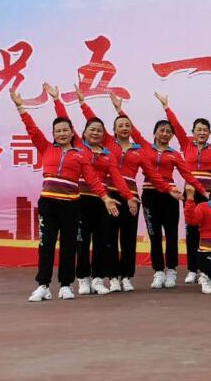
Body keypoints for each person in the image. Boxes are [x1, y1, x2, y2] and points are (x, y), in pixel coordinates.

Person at [10, 88, 121, 302]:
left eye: (65, 130)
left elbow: (92, 179)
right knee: (46, 245)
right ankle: (43, 285)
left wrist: (105, 198)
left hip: (71, 206)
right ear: (53, 134)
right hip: (48, 204)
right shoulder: (46, 148)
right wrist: (20, 107)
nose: (61, 133)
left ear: (72, 133)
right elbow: (32, 128)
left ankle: (66, 285)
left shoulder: (80, 155)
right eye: (58, 131)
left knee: (69, 246)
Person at [74, 87, 177, 293]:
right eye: (120, 125)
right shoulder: (107, 144)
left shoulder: (139, 151)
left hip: (132, 198)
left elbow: (153, 174)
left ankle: (126, 276)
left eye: (127, 125)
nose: (124, 128)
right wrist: (83, 104)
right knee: (109, 238)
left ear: (132, 130)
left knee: (128, 239)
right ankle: (112, 277)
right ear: (112, 130)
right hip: (110, 196)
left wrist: (167, 189)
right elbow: (93, 123)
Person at [47, 84, 139, 296]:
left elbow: (117, 178)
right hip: (80, 200)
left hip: (102, 201)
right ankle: (83, 278)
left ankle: (97, 278)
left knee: (101, 241)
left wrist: (129, 197)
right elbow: (64, 121)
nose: (96, 133)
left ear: (104, 134)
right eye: (92, 130)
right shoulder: (79, 147)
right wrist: (58, 100)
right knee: (82, 240)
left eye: (99, 130)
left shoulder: (108, 155)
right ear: (84, 133)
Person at [110, 94, 209, 290]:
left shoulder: (175, 154)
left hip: (170, 196)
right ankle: (158, 272)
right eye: (161, 130)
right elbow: (130, 128)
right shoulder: (144, 147)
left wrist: (203, 191)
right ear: (154, 133)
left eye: (168, 132)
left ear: (172, 136)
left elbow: (188, 174)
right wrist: (119, 110)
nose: (165, 134)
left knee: (171, 234)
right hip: (149, 195)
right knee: (154, 234)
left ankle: (171, 270)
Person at [155, 91, 211, 284]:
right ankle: (193, 269)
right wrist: (166, 107)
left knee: (208, 232)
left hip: (209, 195)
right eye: (198, 130)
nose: (202, 133)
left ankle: (206, 270)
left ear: (209, 133)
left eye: (205, 130)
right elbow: (175, 126)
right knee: (191, 231)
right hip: (191, 194)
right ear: (193, 132)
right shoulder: (186, 145)